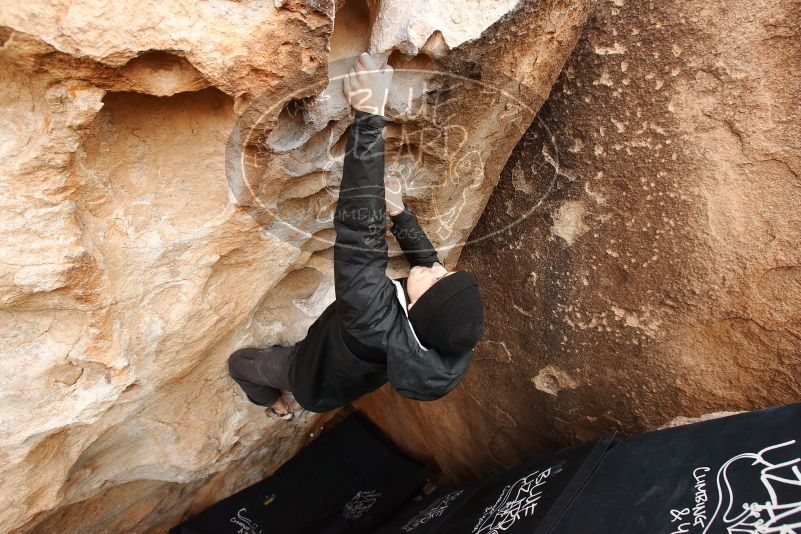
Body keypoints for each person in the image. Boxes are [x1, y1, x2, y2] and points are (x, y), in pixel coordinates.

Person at [228, 53, 484, 420]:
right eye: (447, 275)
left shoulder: (370, 316)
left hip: (307, 377)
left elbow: (359, 235)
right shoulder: (437, 341)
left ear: (414, 311)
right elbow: (429, 266)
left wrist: (369, 117)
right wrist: (400, 212)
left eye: (436, 282)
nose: (436, 269)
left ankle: (276, 405)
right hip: (346, 373)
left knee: (242, 364)